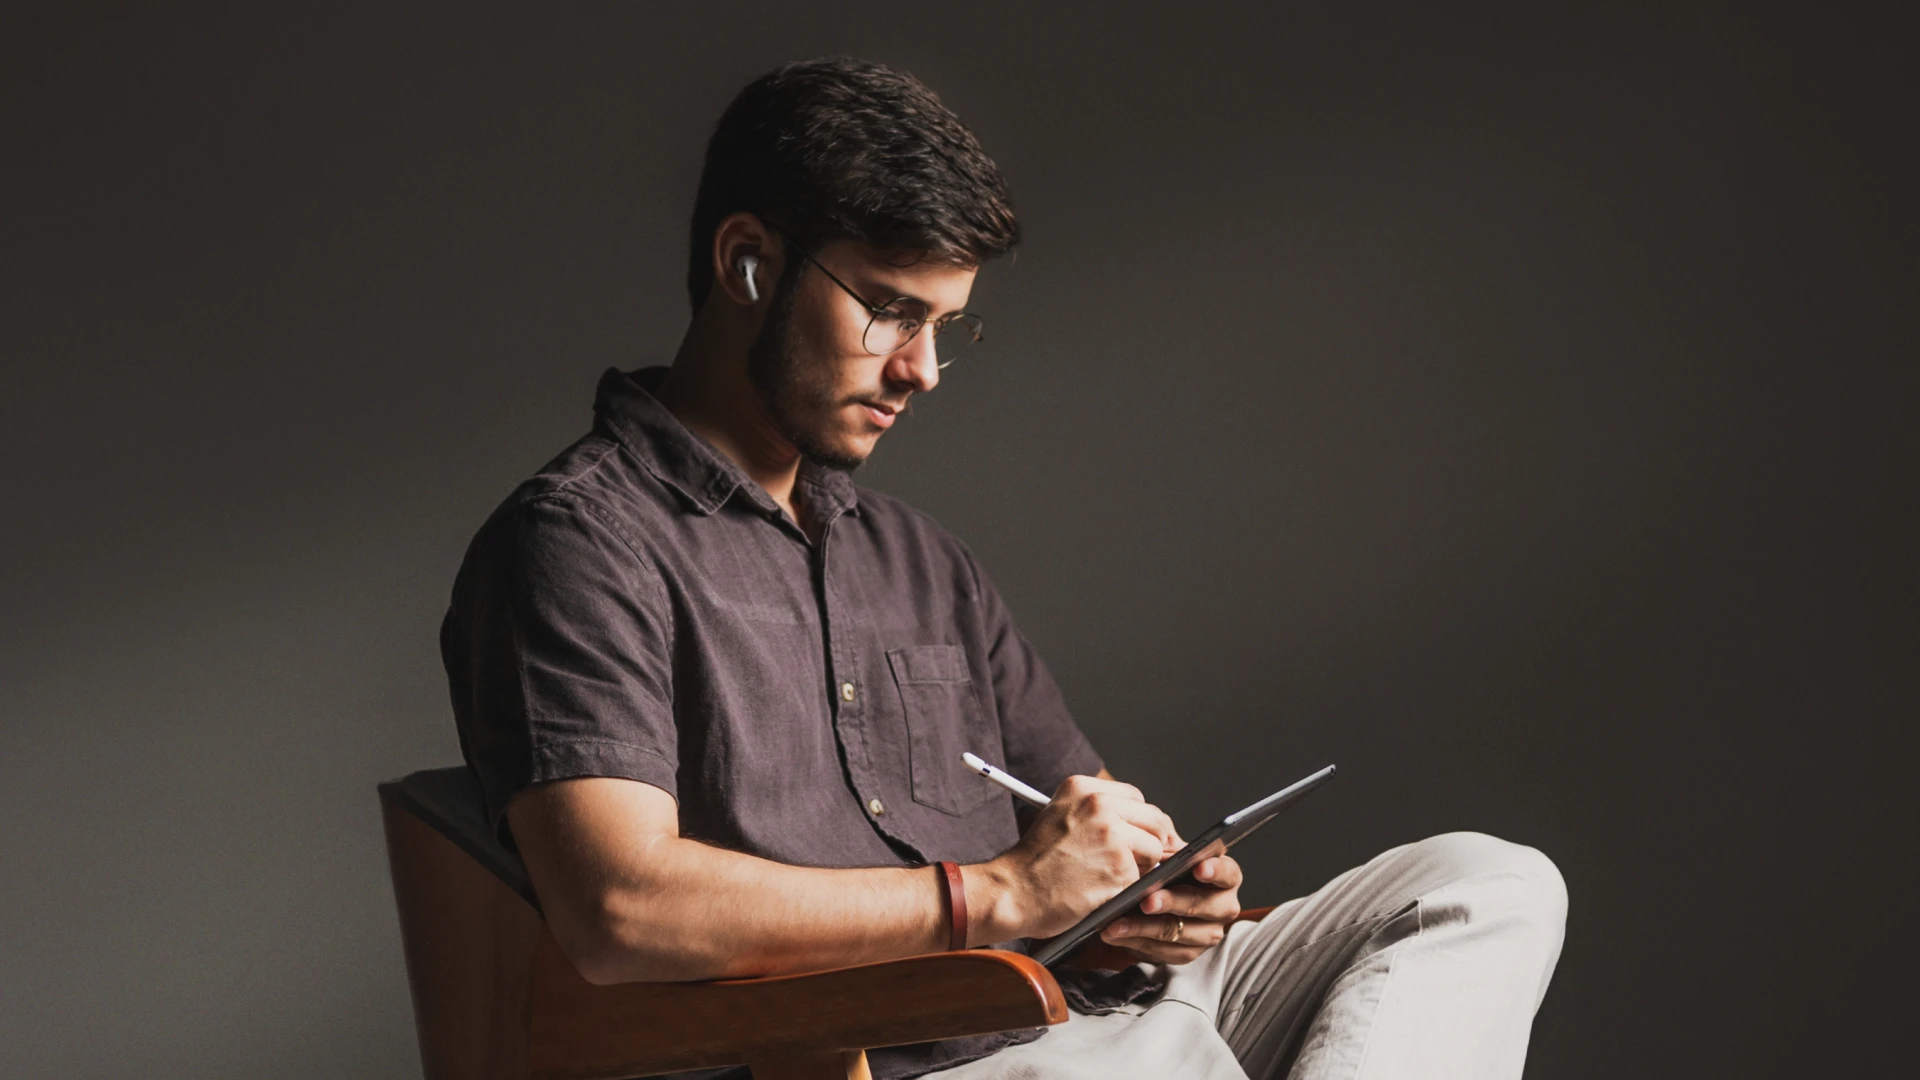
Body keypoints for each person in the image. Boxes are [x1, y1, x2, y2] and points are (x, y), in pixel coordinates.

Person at [440, 57, 1568, 1080]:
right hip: (909, 1061)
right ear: (747, 263)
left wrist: (1146, 896)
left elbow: (1075, 839)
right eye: (889, 312)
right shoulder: (581, 545)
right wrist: (1001, 896)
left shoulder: (922, 562)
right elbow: (619, 910)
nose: (923, 371)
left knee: (1485, 885)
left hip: (1091, 1016)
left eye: (945, 327)